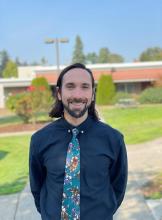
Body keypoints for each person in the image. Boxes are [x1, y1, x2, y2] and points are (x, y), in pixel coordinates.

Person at [29, 63, 128, 220]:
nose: (77, 94)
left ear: (92, 94)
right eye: (70, 86)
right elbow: (37, 186)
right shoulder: (40, 140)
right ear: (59, 93)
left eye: (84, 87)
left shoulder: (113, 139)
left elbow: (118, 186)